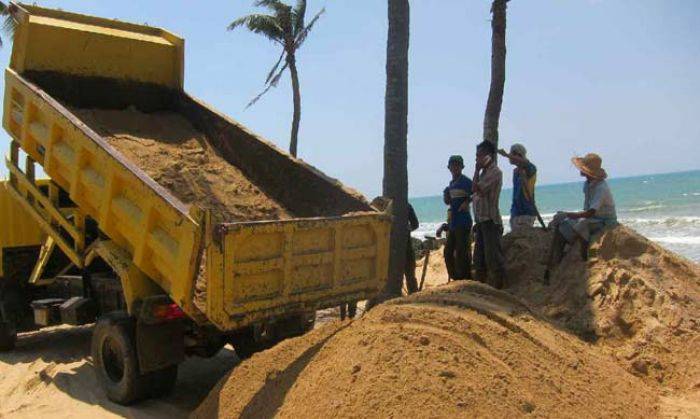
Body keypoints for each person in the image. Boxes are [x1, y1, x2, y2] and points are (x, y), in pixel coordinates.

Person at [544, 153, 617, 283]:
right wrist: (567, 215)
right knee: (564, 224)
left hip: (603, 221)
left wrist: (567, 214)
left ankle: (575, 258)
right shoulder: (588, 185)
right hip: (594, 217)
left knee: (573, 225)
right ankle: (559, 259)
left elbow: (590, 213)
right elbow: (586, 210)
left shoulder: (601, 188)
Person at [472, 141, 507, 289]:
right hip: (481, 221)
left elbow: (477, 189)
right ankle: (482, 288)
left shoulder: (495, 172)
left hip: (490, 221)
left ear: (488, 156)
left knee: (492, 258)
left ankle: (499, 287)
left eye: (479, 156)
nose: (477, 159)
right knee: (479, 258)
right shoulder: (484, 173)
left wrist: (476, 170)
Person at [442, 155, 473, 280]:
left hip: (463, 222)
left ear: (462, 167)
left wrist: (467, 202)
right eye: (452, 165)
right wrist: (446, 195)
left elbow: (477, 192)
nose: (455, 168)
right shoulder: (451, 184)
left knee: (462, 252)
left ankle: (465, 278)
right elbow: (448, 202)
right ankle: (456, 278)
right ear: (449, 167)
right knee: (448, 252)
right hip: (453, 223)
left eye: (457, 165)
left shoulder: (465, 181)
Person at [498, 143, 538, 231]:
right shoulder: (516, 172)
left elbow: (526, 162)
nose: (510, 157)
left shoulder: (530, 168)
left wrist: (506, 155)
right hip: (516, 212)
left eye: (512, 154)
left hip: (526, 211)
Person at [405, 203, 420, 293]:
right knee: (410, 273)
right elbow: (415, 224)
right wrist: (406, 230)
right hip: (406, 243)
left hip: (390, 244)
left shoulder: (385, 204)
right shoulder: (407, 205)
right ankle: (413, 294)